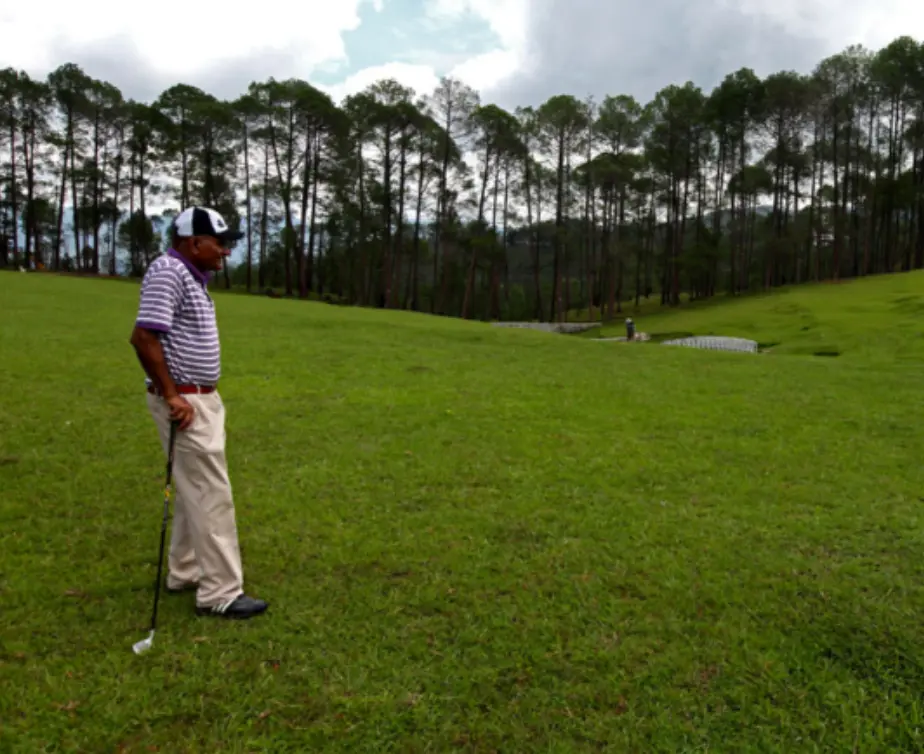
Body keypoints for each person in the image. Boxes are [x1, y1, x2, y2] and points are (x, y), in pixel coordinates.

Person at [129, 206, 268, 620]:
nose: (226, 252)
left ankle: (185, 571)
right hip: (186, 402)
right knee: (212, 494)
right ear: (194, 243)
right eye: (220, 244)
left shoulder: (190, 276)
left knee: (195, 487)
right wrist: (173, 396)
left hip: (200, 397)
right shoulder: (169, 272)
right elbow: (142, 337)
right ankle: (220, 593)